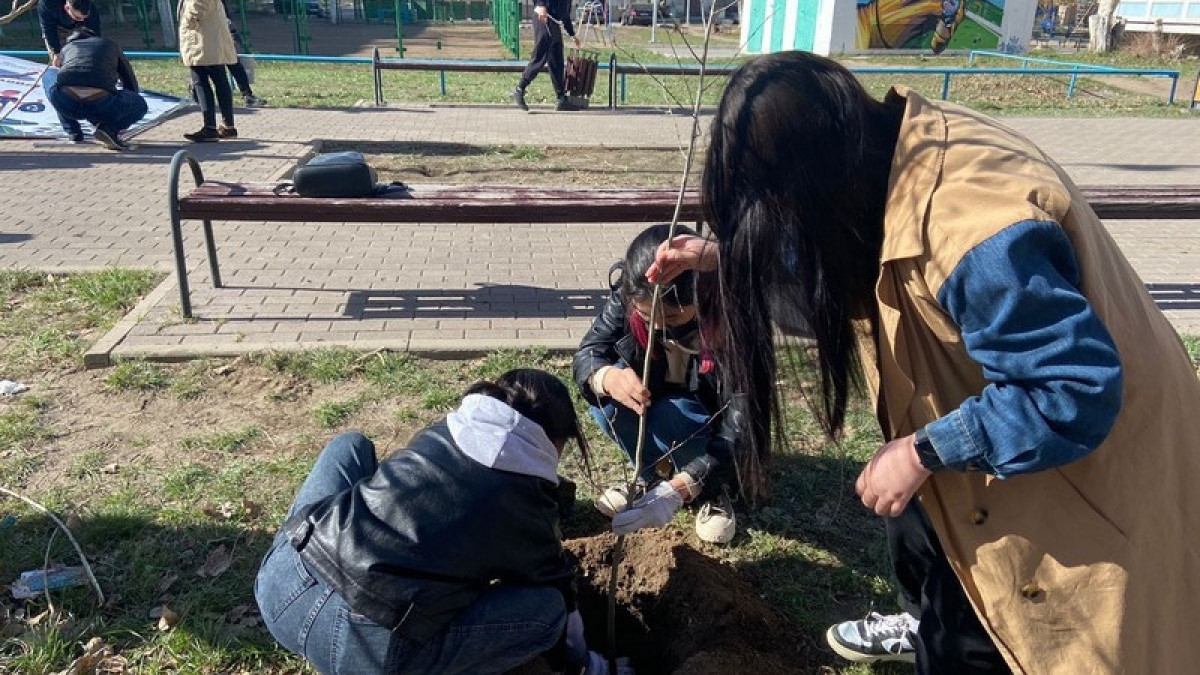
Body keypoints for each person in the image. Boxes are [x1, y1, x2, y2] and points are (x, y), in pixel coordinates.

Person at [648, 50, 1200, 673]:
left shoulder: (976, 233)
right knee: (937, 578)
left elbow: (1071, 388)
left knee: (1012, 643)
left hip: (1086, 477)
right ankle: (925, 621)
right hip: (1001, 445)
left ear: (820, 183)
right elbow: (848, 255)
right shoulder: (892, 148)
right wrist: (732, 254)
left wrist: (922, 450)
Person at [255, 369, 627, 675]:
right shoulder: (528, 503)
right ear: (554, 440)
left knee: (350, 445)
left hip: (282, 587)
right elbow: (559, 596)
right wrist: (591, 665)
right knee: (547, 611)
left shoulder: (442, 432)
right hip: (362, 651)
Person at [574, 223, 739, 545]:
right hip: (652, 397)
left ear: (702, 293)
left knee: (675, 414)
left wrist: (690, 481)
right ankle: (649, 475)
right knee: (607, 403)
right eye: (648, 318)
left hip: (700, 416)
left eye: (674, 318)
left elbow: (743, 421)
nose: (660, 328)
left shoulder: (731, 323)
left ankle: (712, 491)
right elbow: (591, 350)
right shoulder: (626, 298)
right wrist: (605, 376)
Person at [47, 28, 147, 150]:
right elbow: (129, 79)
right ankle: (108, 129)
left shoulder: (66, 49)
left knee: (51, 78)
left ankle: (73, 132)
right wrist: (127, 108)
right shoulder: (109, 45)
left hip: (67, 102)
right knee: (140, 104)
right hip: (101, 101)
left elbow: (63, 80)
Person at [178, 0, 238, 142]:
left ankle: (210, 127)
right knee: (220, 80)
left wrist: (188, 20)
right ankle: (228, 126)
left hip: (202, 39)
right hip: (209, 37)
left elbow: (199, 4)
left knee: (200, 81)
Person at [511, 0, 582, 112]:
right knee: (540, 55)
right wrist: (541, 4)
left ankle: (561, 98)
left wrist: (572, 34)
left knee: (556, 59)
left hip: (554, 22)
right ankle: (519, 89)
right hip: (544, 17)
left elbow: (565, 13)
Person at [219, 0, 266, 107]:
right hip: (208, 38)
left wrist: (231, 31)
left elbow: (224, 15)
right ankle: (196, 92)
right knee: (205, 69)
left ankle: (247, 95)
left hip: (223, 35)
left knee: (235, 64)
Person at [39, 0, 101, 68]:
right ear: (67, 7)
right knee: (60, 62)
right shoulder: (48, 4)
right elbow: (49, 29)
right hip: (57, 26)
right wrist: (56, 52)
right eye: (78, 18)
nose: (82, 20)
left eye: (84, 17)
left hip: (82, 26)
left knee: (90, 58)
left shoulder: (91, 9)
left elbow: (95, 38)